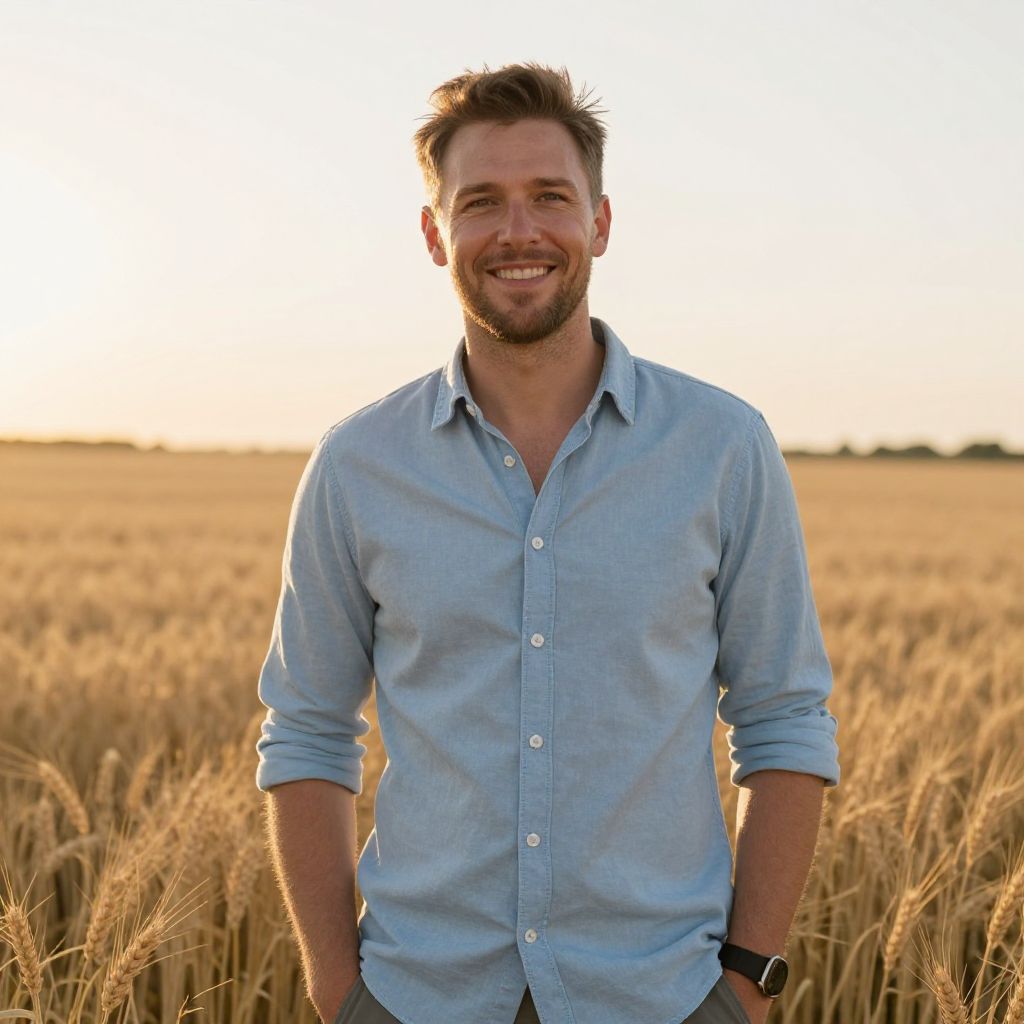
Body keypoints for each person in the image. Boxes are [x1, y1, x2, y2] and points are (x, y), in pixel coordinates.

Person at [255, 63, 840, 1024]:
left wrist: (745, 987)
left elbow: (784, 718)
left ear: (601, 224)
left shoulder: (722, 447)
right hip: (418, 996)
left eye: (550, 198)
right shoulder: (357, 465)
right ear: (434, 232)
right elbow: (308, 732)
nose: (518, 231)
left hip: (663, 996)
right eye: (480, 201)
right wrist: (336, 990)